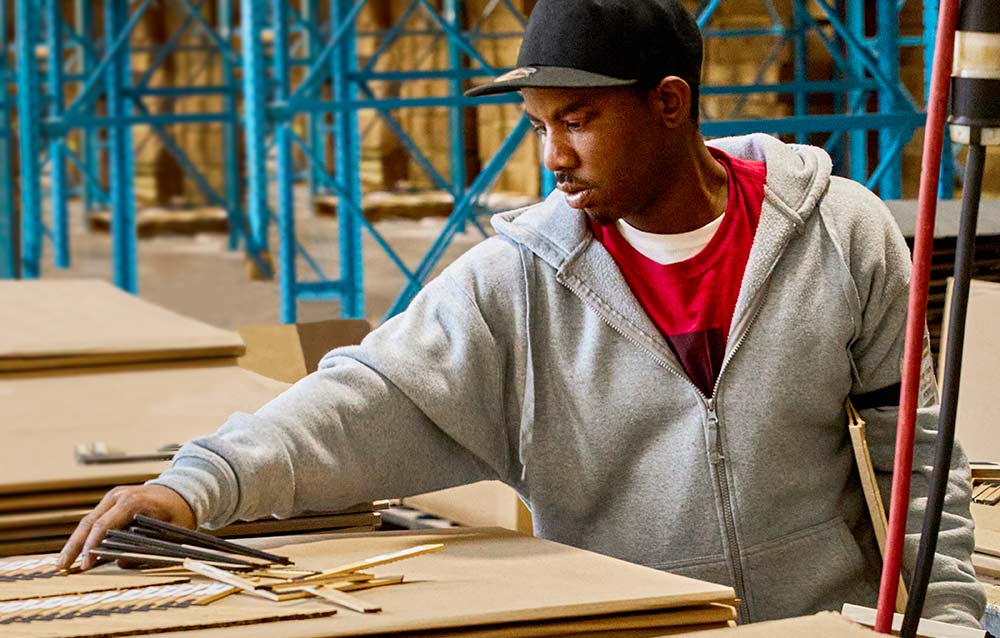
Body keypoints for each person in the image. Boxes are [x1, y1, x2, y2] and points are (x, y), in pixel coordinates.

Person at [59, 0, 985, 626]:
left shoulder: (840, 232)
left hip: (817, 632)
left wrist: (941, 622)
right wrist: (197, 484)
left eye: (576, 119)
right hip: (636, 635)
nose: (553, 156)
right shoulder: (516, 281)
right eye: (539, 125)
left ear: (669, 105)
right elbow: (363, 398)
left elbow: (918, 455)